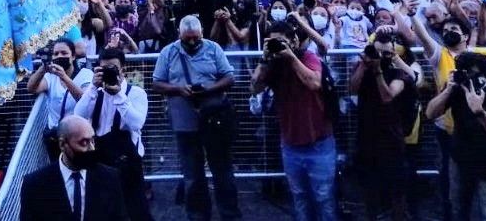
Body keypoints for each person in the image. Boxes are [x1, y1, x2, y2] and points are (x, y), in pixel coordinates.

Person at [152, 15, 241, 221]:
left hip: (213, 121)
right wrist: (178, 89)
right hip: (184, 123)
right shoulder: (168, 52)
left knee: (223, 173)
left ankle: (230, 215)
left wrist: (209, 90)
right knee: (193, 176)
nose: (192, 42)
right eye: (187, 39)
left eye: (195, 38)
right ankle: (198, 216)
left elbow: (229, 77)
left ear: (202, 33)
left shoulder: (213, 48)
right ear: (179, 35)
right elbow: (157, 83)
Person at [251, 21, 335, 221]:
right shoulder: (272, 64)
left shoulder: (308, 57)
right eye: (273, 41)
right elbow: (254, 88)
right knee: (299, 197)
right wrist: (264, 60)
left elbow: (313, 82)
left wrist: (290, 57)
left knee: (324, 199)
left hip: (319, 142)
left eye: (281, 41)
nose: (278, 45)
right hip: (290, 143)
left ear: (294, 41)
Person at [424, 51, 486, 221]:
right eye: (463, 72)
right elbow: (430, 113)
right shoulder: (457, 89)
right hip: (460, 158)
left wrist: (480, 112)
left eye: (471, 72)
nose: (467, 78)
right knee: (457, 208)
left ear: (483, 76)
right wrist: (448, 89)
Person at [73, 47, 150, 221]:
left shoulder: (136, 93)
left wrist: (119, 96)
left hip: (128, 160)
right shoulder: (95, 93)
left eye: (112, 68)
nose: (108, 72)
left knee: (136, 209)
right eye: (104, 68)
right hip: (100, 159)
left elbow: (137, 124)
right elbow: (78, 116)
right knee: (103, 210)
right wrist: (93, 87)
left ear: (123, 69)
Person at [349, 29, 414, 221]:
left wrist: (377, 70)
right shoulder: (363, 68)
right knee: (369, 188)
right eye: (377, 52)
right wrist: (364, 64)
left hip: (391, 139)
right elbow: (352, 88)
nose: (380, 57)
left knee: (396, 190)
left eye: (386, 53)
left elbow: (387, 96)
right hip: (366, 137)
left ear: (393, 54)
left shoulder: (399, 74)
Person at [19, 115, 128, 221]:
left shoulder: (110, 178)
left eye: (92, 141)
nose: (91, 148)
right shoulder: (34, 184)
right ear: (62, 144)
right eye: (84, 142)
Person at [30, 38, 94, 161]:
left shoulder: (85, 74)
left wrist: (64, 77)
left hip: (78, 133)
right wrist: (43, 68)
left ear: (73, 56)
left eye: (64, 53)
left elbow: (84, 99)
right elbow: (32, 88)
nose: (60, 56)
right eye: (56, 54)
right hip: (57, 136)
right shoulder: (50, 77)